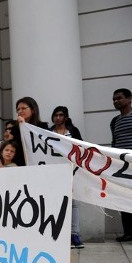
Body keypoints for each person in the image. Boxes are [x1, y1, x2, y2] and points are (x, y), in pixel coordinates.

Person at [49, 105, 85, 249]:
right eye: (55, 115)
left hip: (72, 170)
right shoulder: (48, 132)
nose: (58, 118)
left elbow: (81, 148)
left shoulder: (73, 131)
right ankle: (61, 234)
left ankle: (74, 234)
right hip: (54, 172)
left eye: (60, 115)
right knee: (57, 202)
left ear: (65, 117)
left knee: (74, 203)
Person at [110, 88, 132, 246]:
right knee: (123, 197)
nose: (116, 101)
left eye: (119, 98)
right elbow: (115, 142)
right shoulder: (115, 121)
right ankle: (130, 232)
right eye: (114, 99)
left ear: (129, 99)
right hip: (122, 166)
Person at [10, 96, 48, 166]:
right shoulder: (15, 129)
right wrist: (21, 126)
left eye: (23, 108)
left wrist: (25, 126)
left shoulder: (42, 126)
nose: (20, 111)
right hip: (19, 163)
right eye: (18, 109)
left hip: (38, 163)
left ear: (33, 110)